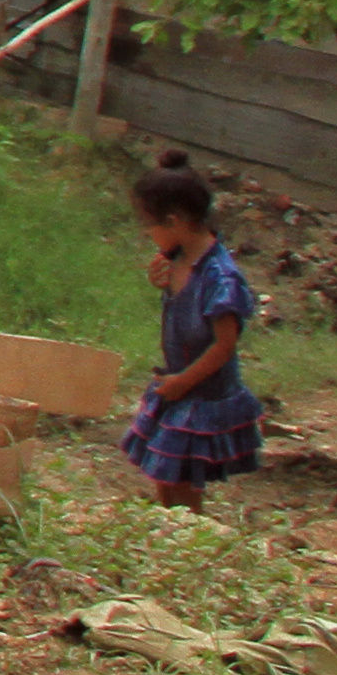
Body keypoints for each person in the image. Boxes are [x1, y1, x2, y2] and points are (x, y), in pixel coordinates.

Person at [126, 160, 265, 508]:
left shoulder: (220, 277)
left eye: (150, 225)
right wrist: (158, 279)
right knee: (163, 471)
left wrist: (184, 381)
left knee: (183, 478)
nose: (148, 234)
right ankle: (171, 531)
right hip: (178, 385)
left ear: (174, 221)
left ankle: (187, 534)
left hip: (200, 392)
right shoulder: (177, 258)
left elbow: (224, 346)